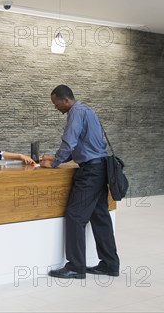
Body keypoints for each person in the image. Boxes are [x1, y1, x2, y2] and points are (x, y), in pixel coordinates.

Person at [40, 85, 119, 279]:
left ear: (64, 99)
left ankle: (76, 266)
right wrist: (57, 158)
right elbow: (86, 145)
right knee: (100, 217)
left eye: (55, 103)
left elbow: (69, 142)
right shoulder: (88, 110)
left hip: (90, 172)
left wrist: (56, 162)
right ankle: (109, 264)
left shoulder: (75, 113)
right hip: (101, 168)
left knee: (75, 216)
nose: (55, 107)